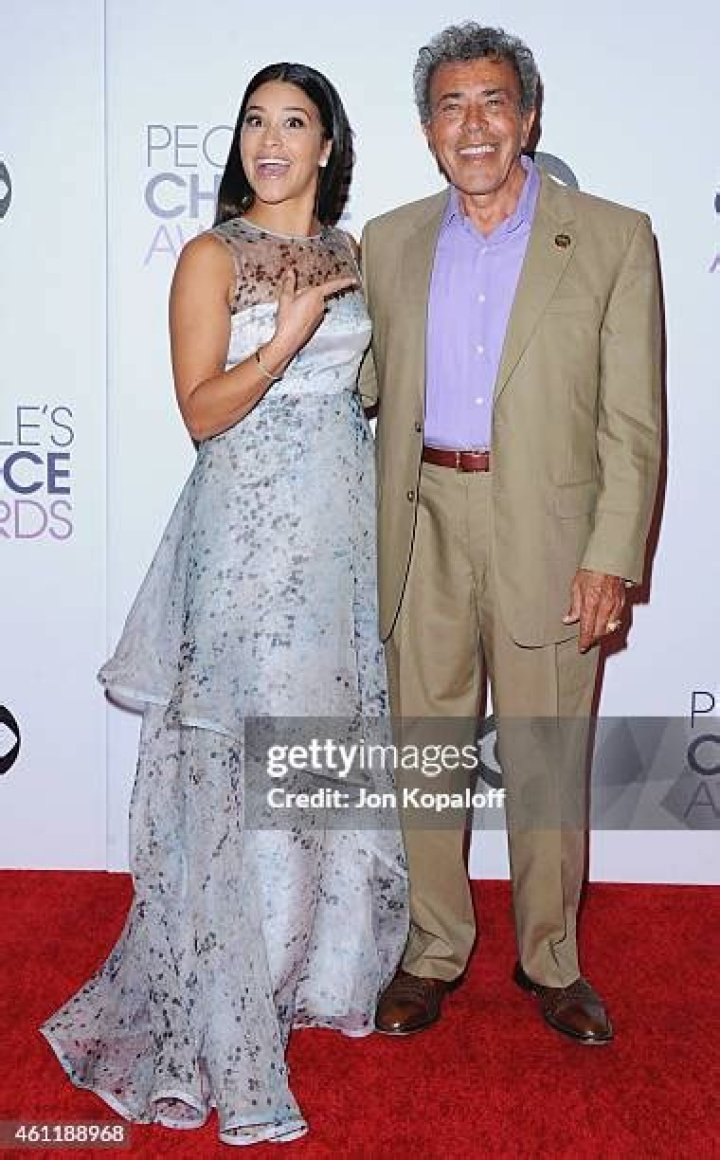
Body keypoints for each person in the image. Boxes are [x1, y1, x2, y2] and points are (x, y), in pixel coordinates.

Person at [41, 62, 407, 1145]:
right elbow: (201, 411)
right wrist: (281, 343)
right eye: (254, 121)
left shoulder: (352, 253)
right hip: (244, 546)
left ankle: (303, 971)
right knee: (236, 776)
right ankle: (224, 1028)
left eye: (294, 122)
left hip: (337, 539)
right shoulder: (211, 255)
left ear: (329, 146)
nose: (270, 140)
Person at [359, 23, 661, 1044]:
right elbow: (365, 389)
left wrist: (610, 556)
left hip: (551, 530)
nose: (474, 124)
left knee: (545, 754)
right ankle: (431, 949)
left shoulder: (613, 236)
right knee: (425, 752)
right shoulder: (388, 241)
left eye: (493, 102)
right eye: (452, 106)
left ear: (528, 118)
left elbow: (632, 421)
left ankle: (553, 960)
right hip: (422, 523)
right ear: (427, 130)